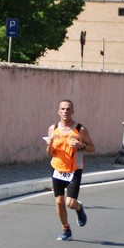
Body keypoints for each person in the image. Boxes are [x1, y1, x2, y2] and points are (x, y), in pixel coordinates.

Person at [45, 99, 95, 240]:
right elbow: (50, 152)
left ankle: (79, 208)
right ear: (58, 111)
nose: (65, 111)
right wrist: (49, 145)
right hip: (57, 169)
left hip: (74, 170)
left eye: (68, 109)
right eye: (62, 109)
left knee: (70, 203)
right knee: (59, 202)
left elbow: (92, 147)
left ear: (73, 111)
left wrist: (81, 146)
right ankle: (66, 230)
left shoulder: (80, 129)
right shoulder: (52, 128)